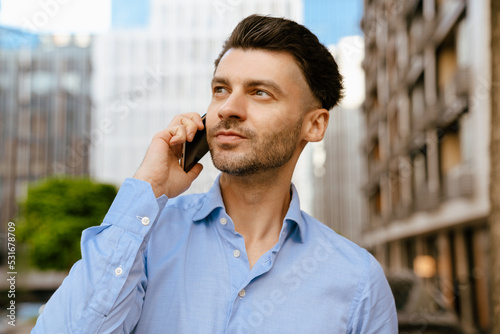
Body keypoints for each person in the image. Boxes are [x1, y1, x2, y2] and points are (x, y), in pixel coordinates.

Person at [32, 14, 397, 333]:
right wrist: (147, 185)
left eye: (260, 93)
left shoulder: (358, 282)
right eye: (221, 89)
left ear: (314, 125)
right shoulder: (143, 240)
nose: (228, 108)